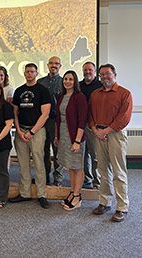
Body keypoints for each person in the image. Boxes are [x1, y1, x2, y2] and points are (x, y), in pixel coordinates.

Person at [89, 63, 133, 222]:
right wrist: (95, 131)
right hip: (98, 134)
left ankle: (122, 207)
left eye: (107, 74)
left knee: (118, 171)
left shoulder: (124, 94)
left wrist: (105, 131)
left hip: (115, 135)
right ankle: (105, 202)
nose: (104, 77)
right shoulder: (95, 94)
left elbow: (124, 118)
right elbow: (91, 115)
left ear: (115, 75)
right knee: (102, 170)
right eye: (102, 75)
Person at [10, 63, 51, 209]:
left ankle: (41, 194)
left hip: (37, 132)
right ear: (24, 73)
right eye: (27, 71)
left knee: (39, 164)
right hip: (21, 131)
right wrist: (19, 131)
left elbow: (45, 114)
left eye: (32, 72)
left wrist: (32, 132)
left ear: (36, 73)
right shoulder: (19, 91)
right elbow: (14, 113)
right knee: (23, 164)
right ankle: (25, 193)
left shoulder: (43, 90)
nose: (29, 74)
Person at [55, 71, 88, 210]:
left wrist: (77, 141)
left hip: (75, 136)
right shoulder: (61, 96)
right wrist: (57, 136)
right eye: (66, 79)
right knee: (69, 165)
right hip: (63, 135)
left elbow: (82, 120)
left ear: (75, 81)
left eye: (71, 79)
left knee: (77, 166)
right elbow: (58, 118)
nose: (67, 81)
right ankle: (73, 191)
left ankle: (77, 195)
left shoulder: (79, 97)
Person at [37, 56, 63, 186]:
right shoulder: (40, 82)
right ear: (47, 65)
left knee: (57, 150)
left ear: (60, 66)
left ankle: (58, 178)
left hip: (56, 121)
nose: (54, 65)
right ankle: (44, 176)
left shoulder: (64, 82)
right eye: (51, 63)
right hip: (42, 121)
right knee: (43, 150)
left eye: (56, 63)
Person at [79, 61, 103, 190]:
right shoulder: (78, 86)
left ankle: (97, 181)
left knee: (95, 155)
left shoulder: (100, 86)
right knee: (83, 154)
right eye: (85, 70)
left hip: (94, 125)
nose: (87, 72)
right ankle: (86, 179)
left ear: (95, 71)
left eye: (90, 70)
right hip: (81, 125)